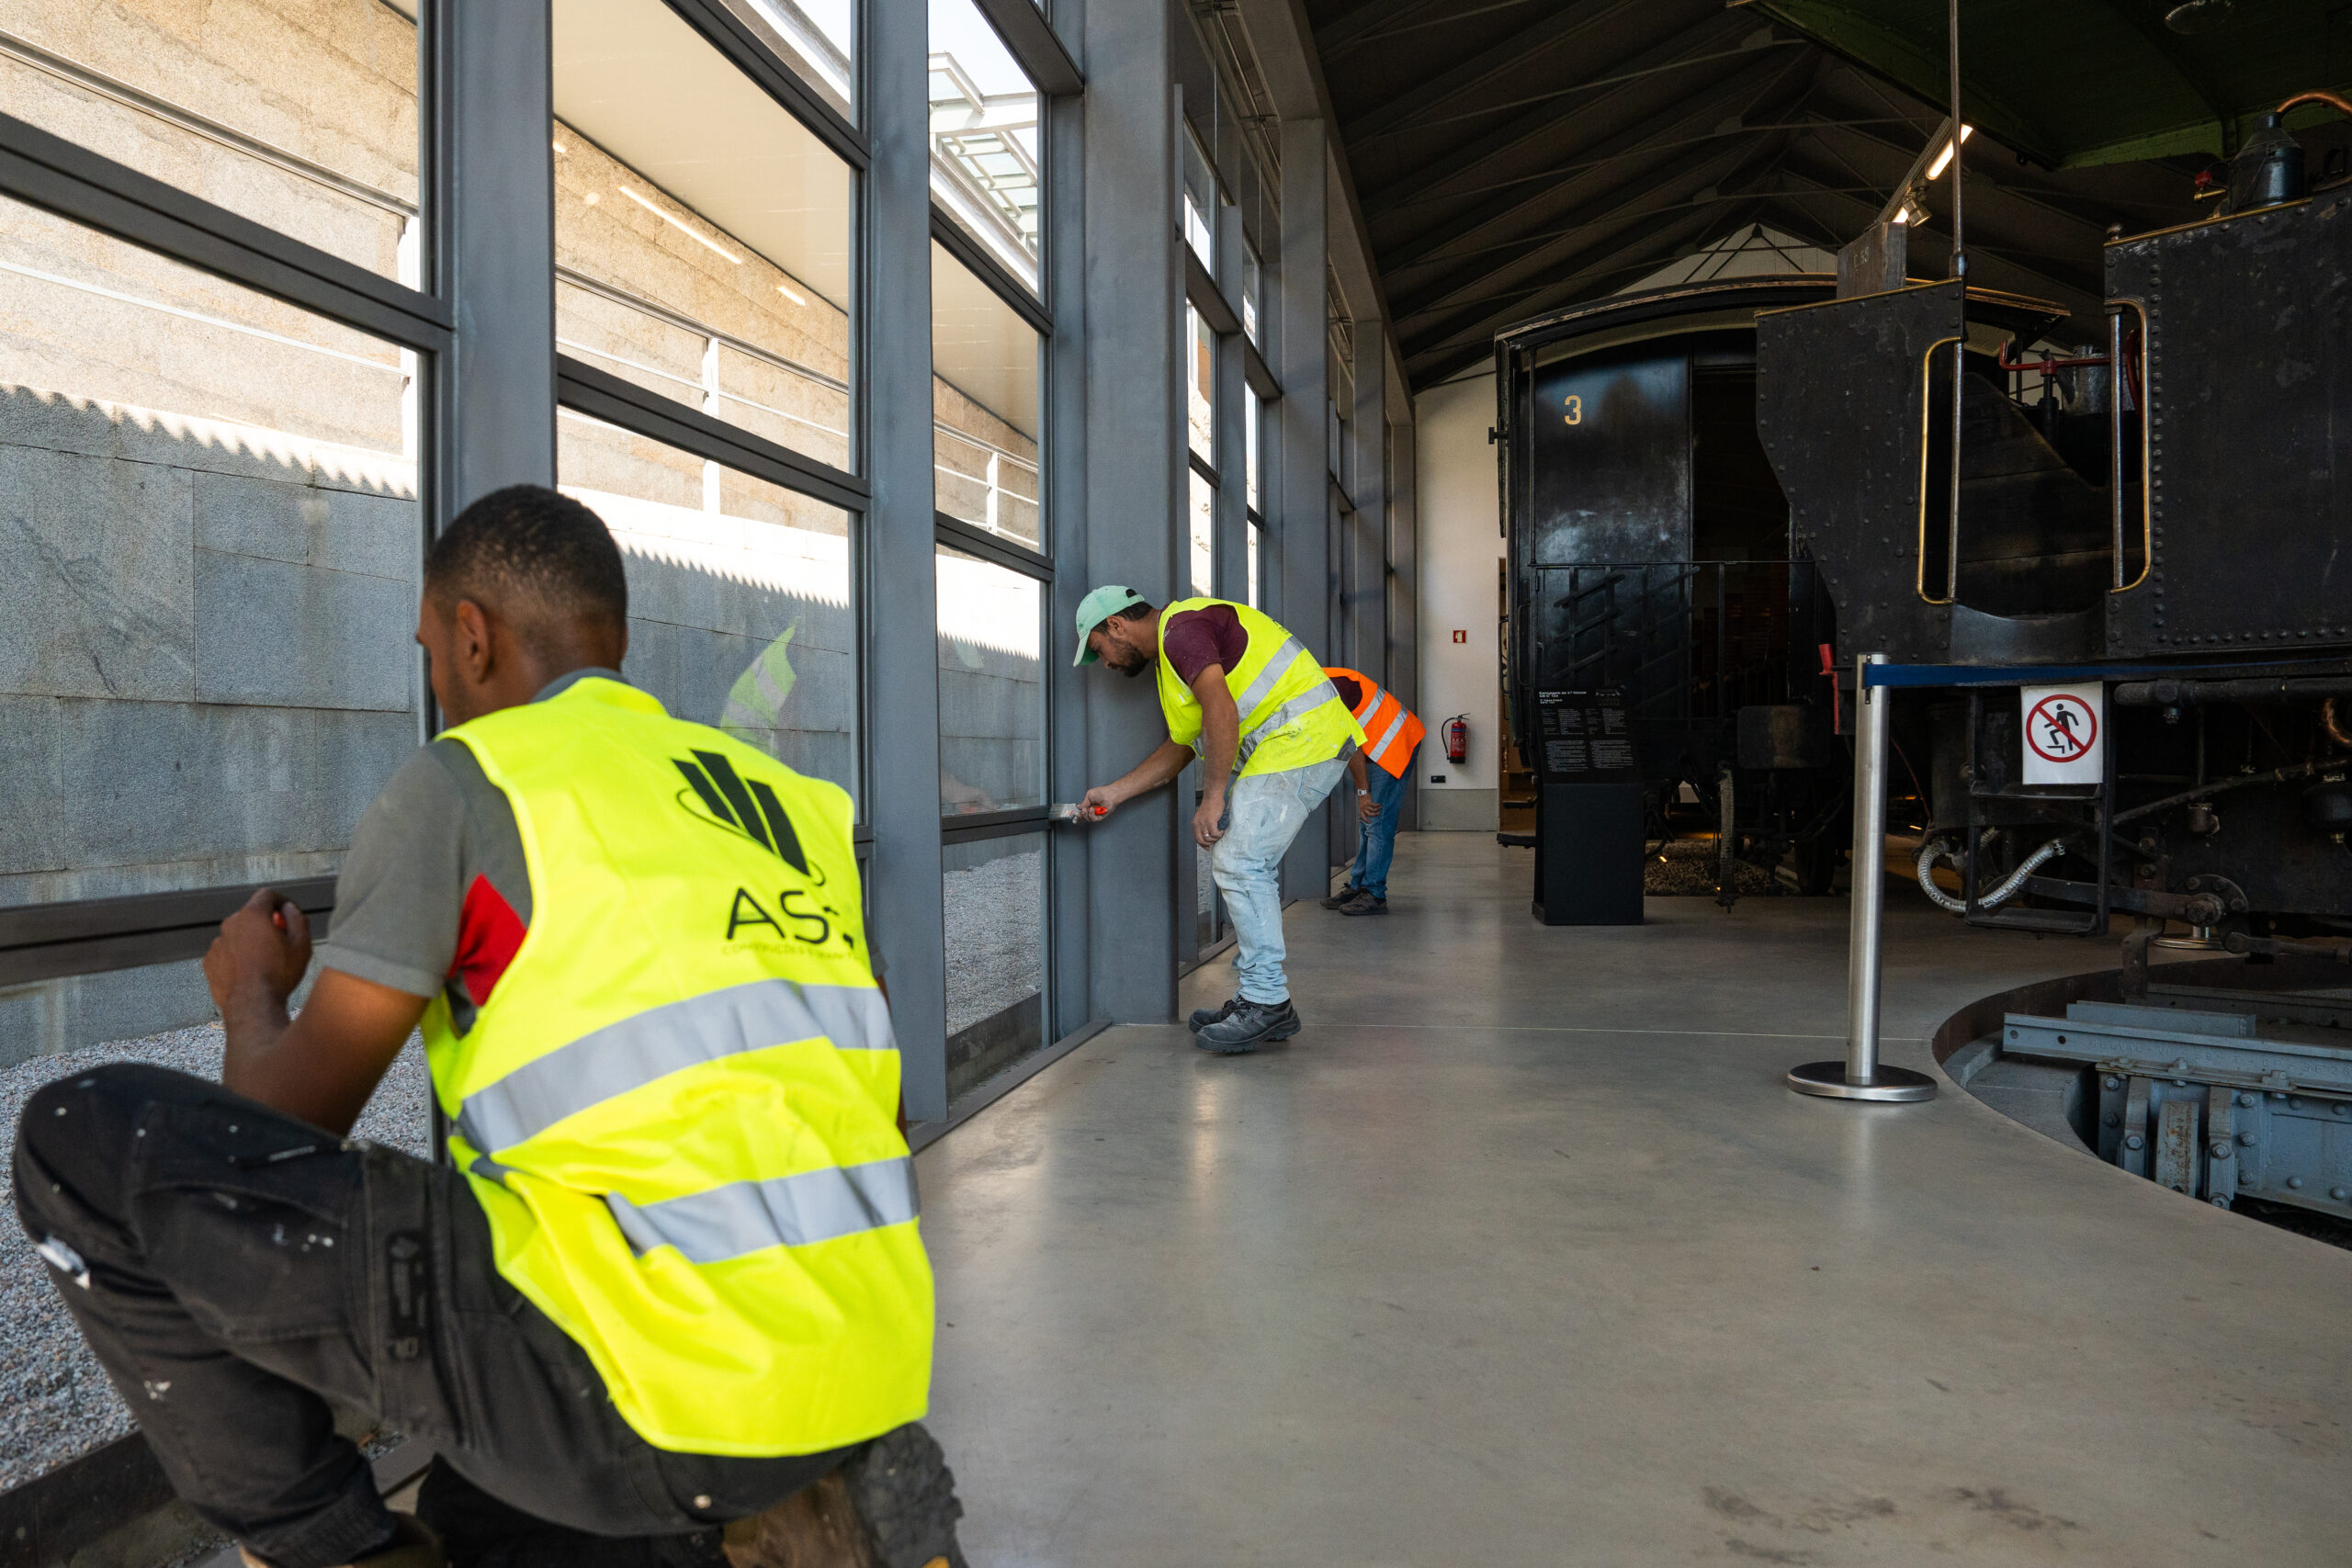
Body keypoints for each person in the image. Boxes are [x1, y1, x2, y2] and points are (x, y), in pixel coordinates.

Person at [13, 487, 962, 1568]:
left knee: (78, 1136)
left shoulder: (474, 785)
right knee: (489, 1498)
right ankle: (773, 1496)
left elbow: (280, 1132)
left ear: (471, 637)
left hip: (646, 1384)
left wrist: (251, 996)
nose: (434, 682)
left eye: (428, 651)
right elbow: (870, 1106)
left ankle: (339, 1549)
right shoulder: (790, 802)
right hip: (865, 1361)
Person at [1071, 586, 1362, 1054]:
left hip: (1302, 737)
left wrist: (1213, 799)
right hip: (1293, 742)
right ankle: (1263, 1000)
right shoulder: (1175, 655)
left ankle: (1267, 1002)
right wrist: (1116, 792)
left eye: (1098, 648)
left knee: (1241, 861)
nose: (1103, 662)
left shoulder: (1180, 632)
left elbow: (1221, 711)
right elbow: (1186, 746)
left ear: (1117, 625)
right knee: (1239, 861)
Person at [1316, 666, 1424, 917]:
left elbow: (1351, 745)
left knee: (1376, 820)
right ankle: (1357, 886)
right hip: (1376, 745)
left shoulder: (1328, 691)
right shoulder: (1316, 681)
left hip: (1392, 743)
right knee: (1367, 822)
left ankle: (1374, 893)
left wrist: (1363, 794)